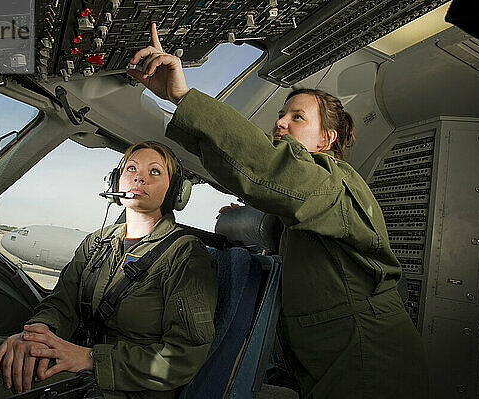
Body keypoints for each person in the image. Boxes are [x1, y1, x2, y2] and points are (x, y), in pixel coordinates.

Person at [126, 24, 428, 398]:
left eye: (297, 117)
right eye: (281, 115)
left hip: (367, 360)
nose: (280, 122)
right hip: (330, 357)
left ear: (326, 139)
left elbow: (267, 168)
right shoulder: (307, 201)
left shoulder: (334, 181)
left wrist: (182, 97)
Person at [0, 141, 218, 399]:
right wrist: (36, 334)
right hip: (78, 359)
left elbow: (182, 357)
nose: (138, 177)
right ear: (116, 179)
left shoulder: (185, 255)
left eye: (154, 172)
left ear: (174, 192)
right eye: (131, 168)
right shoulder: (99, 241)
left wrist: (90, 358)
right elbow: (62, 302)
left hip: (130, 385)